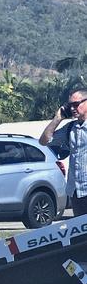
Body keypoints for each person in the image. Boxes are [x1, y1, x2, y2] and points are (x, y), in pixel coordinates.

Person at [40, 88, 87, 217]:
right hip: (76, 192)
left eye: (76, 104)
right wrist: (57, 118)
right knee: (81, 235)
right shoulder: (70, 129)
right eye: (70, 105)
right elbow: (44, 141)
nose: (73, 109)